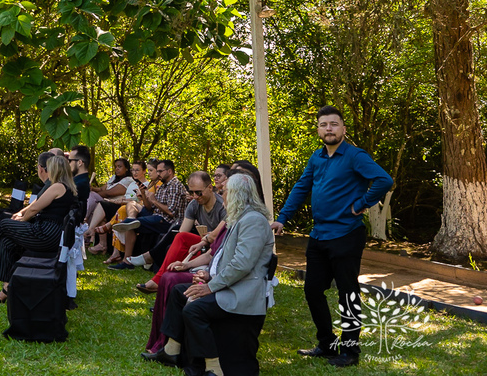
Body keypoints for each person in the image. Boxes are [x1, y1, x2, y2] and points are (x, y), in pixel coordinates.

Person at [272, 105, 392, 368]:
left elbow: (384, 180)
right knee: (313, 290)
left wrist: (361, 203)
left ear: (343, 129)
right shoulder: (317, 157)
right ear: (318, 130)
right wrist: (282, 218)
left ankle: (350, 351)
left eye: (334, 124)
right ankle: (327, 344)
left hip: (346, 235)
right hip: (319, 235)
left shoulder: (355, 156)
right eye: (324, 124)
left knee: (347, 294)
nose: (329, 128)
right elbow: (302, 186)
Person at [150, 173, 276, 376]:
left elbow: (242, 265)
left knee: (194, 310)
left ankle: (213, 367)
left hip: (242, 292)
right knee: (179, 292)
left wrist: (210, 286)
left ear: (236, 194)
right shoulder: (240, 218)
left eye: (224, 192)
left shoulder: (253, 221)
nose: (222, 196)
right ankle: (172, 351)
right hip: (230, 284)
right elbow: (222, 258)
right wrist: (208, 275)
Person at [0, 154, 77, 302]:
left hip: (45, 234)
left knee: (5, 224)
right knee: (7, 242)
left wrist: (22, 220)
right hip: (52, 234)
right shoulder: (68, 188)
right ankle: (5, 291)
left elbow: (34, 209)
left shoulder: (57, 186)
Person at [134, 170, 226, 292]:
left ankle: (157, 279)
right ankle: (160, 281)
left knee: (180, 240)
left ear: (210, 188)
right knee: (180, 237)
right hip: (203, 244)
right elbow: (183, 232)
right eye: (191, 192)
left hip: (219, 246)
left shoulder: (222, 206)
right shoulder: (194, 204)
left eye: (198, 192)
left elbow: (219, 236)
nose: (195, 196)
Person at [109, 159, 187, 269]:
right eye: (158, 171)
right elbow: (151, 208)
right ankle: (127, 260)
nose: (158, 174)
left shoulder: (174, 185)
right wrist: (145, 197)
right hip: (156, 216)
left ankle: (128, 260)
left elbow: (171, 212)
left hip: (168, 222)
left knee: (132, 223)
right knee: (131, 224)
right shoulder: (163, 186)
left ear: (169, 171)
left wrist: (154, 200)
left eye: (160, 171)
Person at [83, 157, 134, 252]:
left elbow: (109, 193)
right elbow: (102, 189)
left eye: (120, 167)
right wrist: (92, 188)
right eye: (115, 167)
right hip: (106, 203)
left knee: (94, 199)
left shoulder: (128, 180)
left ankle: (88, 228)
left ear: (126, 168)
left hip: (116, 204)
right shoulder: (114, 178)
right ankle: (100, 243)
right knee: (93, 198)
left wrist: (93, 193)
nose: (117, 169)